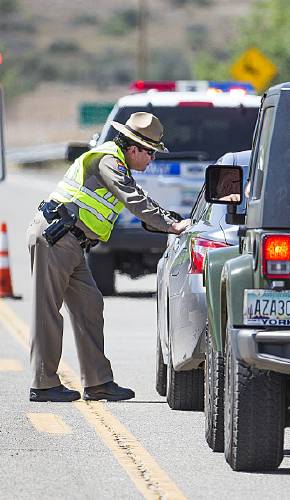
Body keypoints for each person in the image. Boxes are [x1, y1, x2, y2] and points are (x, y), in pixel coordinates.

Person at [27, 112, 190, 402]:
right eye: (150, 153)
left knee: (90, 306)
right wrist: (171, 226)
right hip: (55, 237)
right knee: (47, 312)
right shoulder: (108, 160)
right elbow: (134, 199)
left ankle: (98, 382)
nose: (151, 159)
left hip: (72, 243)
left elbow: (139, 197)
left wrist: (169, 219)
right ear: (133, 148)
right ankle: (43, 384)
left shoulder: (118, 165)